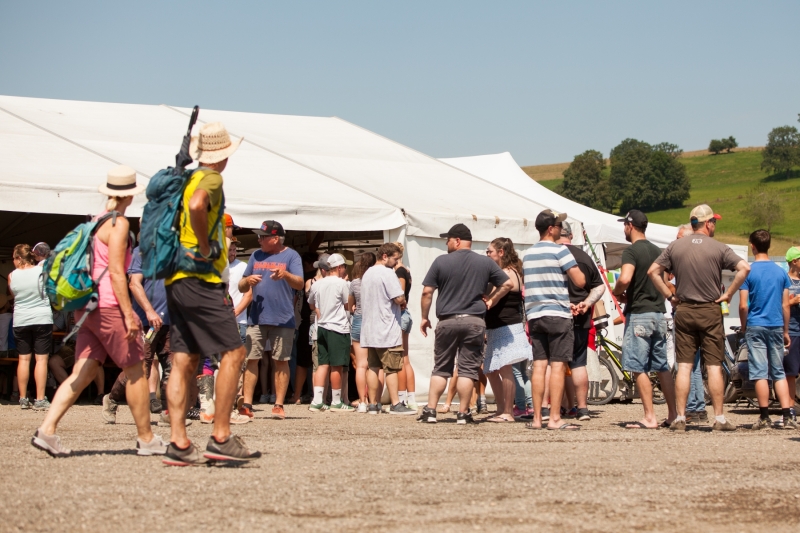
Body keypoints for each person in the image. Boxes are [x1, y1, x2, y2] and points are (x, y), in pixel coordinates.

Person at [32, 165, 167, 457]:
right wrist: (129, 312)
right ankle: (147, 439)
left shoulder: (94, 222)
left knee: (82, 372)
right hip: (108, 307)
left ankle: (47, 431)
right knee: (135, 372)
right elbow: (118, 273)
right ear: (130, 196)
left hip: (86, 308)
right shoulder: (118, 225)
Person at [161, 123, 259, 465]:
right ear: (224, 155)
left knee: (184, 360)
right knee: (233, 353)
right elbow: (198, 206)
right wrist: (205, 246)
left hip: (176, 276)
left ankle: (179, 442)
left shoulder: (185, 180)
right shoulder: (211, 179)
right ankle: (220, 436)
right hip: (201, 278)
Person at [648, 204, 750, 432]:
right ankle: (720, 419)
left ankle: (681, 417)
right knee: (713, 366)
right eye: (714, 221)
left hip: (684, 309)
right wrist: (729, 293)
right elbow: (744, 268)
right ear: (708, 223)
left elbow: (652, 271)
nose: (715, 225)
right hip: (710, 310)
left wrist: (668, 295)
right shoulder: (719, 247)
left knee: (684, 366)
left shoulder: (675, 246)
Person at [418, 224, 514, 424]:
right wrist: (491, 300)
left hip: (447, 320)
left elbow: (427, 292)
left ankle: (430, 411)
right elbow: (507, 283)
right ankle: (463, 412)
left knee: (441, 368)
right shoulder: (484, 263)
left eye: (449, 239)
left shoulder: (441, 261)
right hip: (474, 321)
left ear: (458, 240)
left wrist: (424, 317)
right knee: (467, 369)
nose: (446, 243)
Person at [611, 211, 677, 429]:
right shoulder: (658, 251)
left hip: (639, 314)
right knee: (662, 367)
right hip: (659, 313)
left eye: (624, 226)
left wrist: (618, 290)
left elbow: (626, 277)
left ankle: (649, 416)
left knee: (638, 366)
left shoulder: (631, 251)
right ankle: (672, 414)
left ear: (630, 226)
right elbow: (665, 282)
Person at [523, 210, 586, 430]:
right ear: (550, 229)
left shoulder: (528, 254)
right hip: (558, 314)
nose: (561, 228)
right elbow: (580, 281)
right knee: (558, 366)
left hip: (535, 315)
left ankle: (537, 419)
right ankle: (555, 418)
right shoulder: (561, 251)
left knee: (539, 366)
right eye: (559, 225)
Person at [102, 242, 173, 423]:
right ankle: (111, 399)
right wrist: (149, 311)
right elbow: (134, 284)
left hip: (171, 322)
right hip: (145, 323)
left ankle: (167, 412)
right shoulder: (140, 253)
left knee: (172, 369)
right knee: (140, 370)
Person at [738, 230, 796, 430]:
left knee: (760, 372)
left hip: (756, 324)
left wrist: (744, 326)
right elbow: (785, 305)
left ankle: (764, 417)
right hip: (776, 325)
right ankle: (788, 415)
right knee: (778, 371)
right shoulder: (780, 271)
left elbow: (744, 305)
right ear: (769, 245)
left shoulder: (748, 271)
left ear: (752, 246)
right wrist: (786, 330)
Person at [361, 243, 417, 416]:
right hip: (386, 326)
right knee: (392, 367)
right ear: (385, 256)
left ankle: (372, 404)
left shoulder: (367, 273)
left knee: (373, 367)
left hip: (369, 328)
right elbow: (399, 297)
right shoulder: (387, 273)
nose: (396, 262)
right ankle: (395, 403)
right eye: (395, 258)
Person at [558, 222, 605, 422]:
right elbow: (599, 287)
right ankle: (582, 409)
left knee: (557, 364)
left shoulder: (553, 255)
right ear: (571, 235)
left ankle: (555, 408)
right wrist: (585, 304)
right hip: (581, 317)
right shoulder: (584, 257)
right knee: (578, 364)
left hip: (558, 316)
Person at [483, 237, 532, 422]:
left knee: (505, 369)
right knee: (491, 370)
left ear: (501, 252)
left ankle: (508, 412)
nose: (487, 254)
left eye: (490, 251)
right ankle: (502, 408)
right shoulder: (511, 270)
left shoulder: (507, 273)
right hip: (499, 326)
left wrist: (490, 300)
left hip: (506, 326)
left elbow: (505, 287)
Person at [307, 253, 354, 412]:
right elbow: (349, 305)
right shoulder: (342, 284)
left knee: (322, 364)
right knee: (337, 366)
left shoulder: (317, 283)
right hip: (338, 327)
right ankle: (336, 401)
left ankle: (317, 400)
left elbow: (311, 305)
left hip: (321, 327)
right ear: (340, 267)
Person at [8, 244, 53, 410]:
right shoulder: (41, 270)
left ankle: (23, 398)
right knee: (41, 359)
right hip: (42, 318)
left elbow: (14, 295)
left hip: (21, 320)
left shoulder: (12, 276)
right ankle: (40, 399)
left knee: (24, 359)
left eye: (13, 258)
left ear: (19, 259)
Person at [672, 224, 707, 423]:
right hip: (703, 313)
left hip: (686, 313)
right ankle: (699, 406)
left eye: (678, 237)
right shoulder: (700, 256)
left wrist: (671, 293)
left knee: (686, 363)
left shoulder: (683, 257)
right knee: (696, 363)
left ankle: (694, 407)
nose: (676, 241)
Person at [349, 252, 376, 412]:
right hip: (374, 322)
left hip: (359, 320)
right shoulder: (376, 281)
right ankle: (375, 401)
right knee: (375, 365)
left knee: (360, 365)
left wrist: (353, 307)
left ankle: (362, 401)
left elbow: (349, 305)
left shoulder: (355, 283)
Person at [392, 243, 418, 410]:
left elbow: (400, 294)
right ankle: (411, 397)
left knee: (401, 359)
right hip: (404, 315)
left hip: (400, 315)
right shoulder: (405, 271)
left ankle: (403, 397)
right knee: (405, 358)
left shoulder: (400, 271)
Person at [785, 247, 800, 425]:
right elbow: (778, 305)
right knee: (790, 373)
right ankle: (788, 411)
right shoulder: (785, 280)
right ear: (794, 262)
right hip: (793, 332)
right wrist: (791, 301)